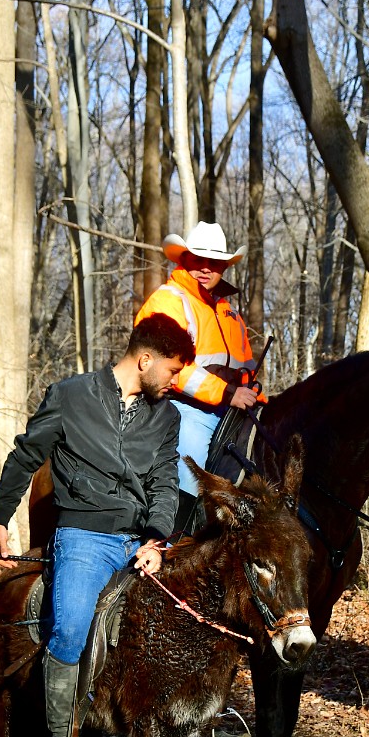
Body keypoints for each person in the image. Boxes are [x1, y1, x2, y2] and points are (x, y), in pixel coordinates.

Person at [0, 313, 195, 737]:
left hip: (142, 541)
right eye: (173, 370)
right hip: (84, 537)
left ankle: (205, 719)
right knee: (72, 627)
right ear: (145, 360)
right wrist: (0, 519)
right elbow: (24, 457)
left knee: (192, 612)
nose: (176, 381)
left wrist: (156, 538)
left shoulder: (166, 416)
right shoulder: (70, 396)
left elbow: (164, 483)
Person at [134, 221, 266, 531]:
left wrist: (258, 397)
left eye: (214, 262)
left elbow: (245, 367)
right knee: (190, 468)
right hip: (180, 406)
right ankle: (168, 542)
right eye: (198, 260)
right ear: (184, 260)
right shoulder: (169, 300)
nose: (206, 269)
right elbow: (166, 364)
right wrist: (225, 393)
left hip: (231, 409)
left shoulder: (231, 315)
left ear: (223, 267)